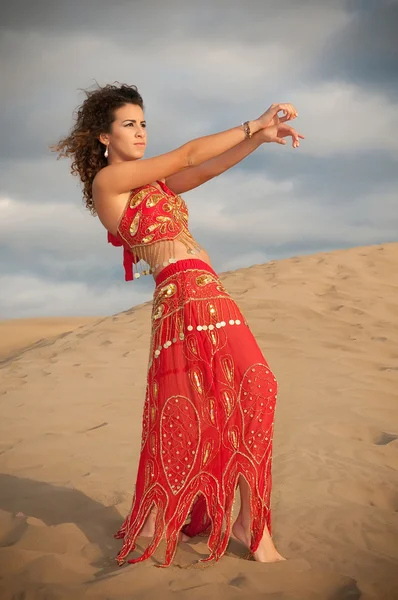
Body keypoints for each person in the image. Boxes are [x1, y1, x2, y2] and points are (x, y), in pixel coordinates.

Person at [52, 83, 304, 568]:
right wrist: (254, 120)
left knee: (254, 390)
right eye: (129, 124)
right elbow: (188, 152)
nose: (141, 132)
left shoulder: (154, 184)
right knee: (232, 395)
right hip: (183, 295)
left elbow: (204, 167)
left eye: (144, 123)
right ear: (103, 138)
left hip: (208, 290)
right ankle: (248, 524)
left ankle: (249, 520)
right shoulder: (109, 185)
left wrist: (259, 139)